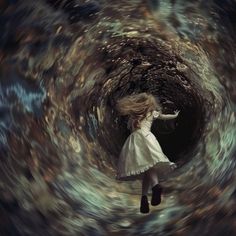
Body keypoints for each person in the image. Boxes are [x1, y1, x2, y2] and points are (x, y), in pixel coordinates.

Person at [115, 92, 179, 214]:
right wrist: (174, 115)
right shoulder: (152, 113)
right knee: (149, 166)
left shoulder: (134, 115)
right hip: (148, 138)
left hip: (136, 140)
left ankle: (147, 196)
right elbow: (163, 117)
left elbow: (131, 127)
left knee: (148, 167)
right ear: (151, 104)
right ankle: (151, 191)